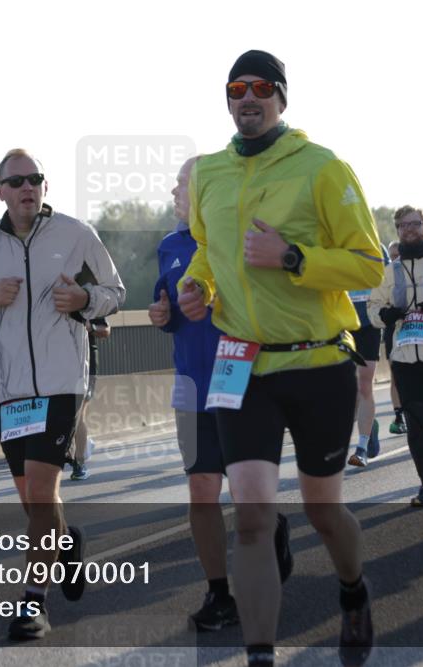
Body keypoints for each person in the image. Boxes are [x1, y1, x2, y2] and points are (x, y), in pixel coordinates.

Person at [178, 50, 382, 667]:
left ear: (282, 98)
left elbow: (369, 266)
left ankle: (353, 589)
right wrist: (197, 285)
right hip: (241, 365)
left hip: (318, 363)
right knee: (251, 518)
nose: (248, 97)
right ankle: (260, 655)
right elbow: (207, 249)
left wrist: (293, 257)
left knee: (323, 510)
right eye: (237, 88)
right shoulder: (209, 173)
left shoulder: (322, 166)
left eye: (262, 88)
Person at [0, 149, 125, 638]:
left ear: (44, 186)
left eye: (35, 179)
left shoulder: (76, 235)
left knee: (43, 493)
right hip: (9, 393)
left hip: (62, 386)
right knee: (34, 502)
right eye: (16, 181)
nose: (27, 188)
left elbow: (115, 292)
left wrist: (85, 299)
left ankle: (33, 602)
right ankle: (65, 544)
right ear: (0, 191)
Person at [148, 155, 293, 633]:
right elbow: (169, 308)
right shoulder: (169, 246)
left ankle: (273, 528)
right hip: (190, 383)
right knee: (202, 488)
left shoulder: (240, 238)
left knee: (245, 490)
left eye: (182, 184)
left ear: (206, 191)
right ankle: (218, 592)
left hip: (239, 375)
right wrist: (161, 315)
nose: (174, 192)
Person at [368, 206, 423, 506]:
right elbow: (373, 308)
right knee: (416, 422)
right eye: (403, 225)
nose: (409, 229)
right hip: (405, 359)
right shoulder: (389, 271)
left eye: (415, 224)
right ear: (397, 230)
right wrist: (385, 314)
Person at [347, 243, 390, 467]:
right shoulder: (331, 242)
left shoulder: (375, 246)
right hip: (341, 323)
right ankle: (369, 424)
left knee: (364, 385)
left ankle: (361, 447)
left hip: (368, 324)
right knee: (346, 388)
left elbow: (388, 281)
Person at [67, 316, 109, 480]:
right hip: (56, 366)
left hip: (85, 364)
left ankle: (79, 464)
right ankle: (81, 447)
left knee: (79, 412)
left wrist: (90, 327)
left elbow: (106, 330)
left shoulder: (88, 302)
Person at [385, 240, 408, 435]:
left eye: (398, 255)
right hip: (392, 329)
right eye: (392, 256)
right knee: (395, 374)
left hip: (413, 328)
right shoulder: (386, 276)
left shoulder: (413, 272)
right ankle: (399, 416)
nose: (396, 259)